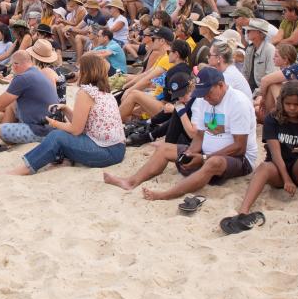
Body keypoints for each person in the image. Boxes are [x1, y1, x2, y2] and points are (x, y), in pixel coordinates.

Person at [109, 67, 257, 200]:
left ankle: (167, 194)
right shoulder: (203, 100)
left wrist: (205, 158)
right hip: (207, 153)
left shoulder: (238, 103)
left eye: (208, 93)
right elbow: (199, 135)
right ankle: (131, 182)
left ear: (221, 85)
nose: (205, 97)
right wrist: (191, 153)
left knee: (214, 162)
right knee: (164, 149)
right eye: (202, 93)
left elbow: (239, 147)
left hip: (239, 159)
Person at [0, 53, 126, 175]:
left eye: (80, 69)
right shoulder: (104, 92)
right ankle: (63, 160)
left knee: (56, 136)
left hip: (105, 152)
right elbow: (84, 123)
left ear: (86, 71)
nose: (78, 72)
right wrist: (65, 109)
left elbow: (75, 130)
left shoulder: (86, 93)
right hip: (117, 149)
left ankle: (26, 168)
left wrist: (54, 123)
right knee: (62, 134)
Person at [222, 80, 298, 232]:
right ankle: (243, 211)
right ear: (281, 102)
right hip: (278, 170)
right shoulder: (273, 119)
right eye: (288, 103)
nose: (291, 108)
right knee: (263, 167)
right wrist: (286, 179)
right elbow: (275, 153)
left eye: (296, 104)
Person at [0, 48, 58, 147]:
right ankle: (4, 127)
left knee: (0, 130)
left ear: (15, 65)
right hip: (51, 124)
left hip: (42, 130)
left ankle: (5, 137)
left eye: (12, 65)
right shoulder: (36, 73)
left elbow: (0, 103)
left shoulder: (23, 78)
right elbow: (5, 101)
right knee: (12, 103)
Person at [242, 18, 276, 92]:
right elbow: (245, 72)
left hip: (262, 91)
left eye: (249, 30)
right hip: (249, 89)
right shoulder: (249, 49)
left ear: (260, 33)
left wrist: (259, 94)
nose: (247, 32)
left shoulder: (270, 50)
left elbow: (270, 76)